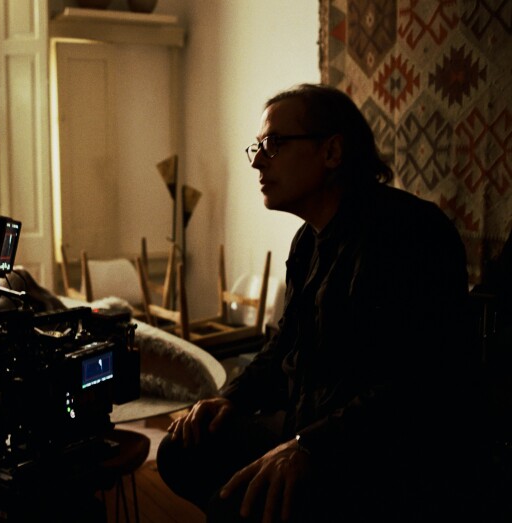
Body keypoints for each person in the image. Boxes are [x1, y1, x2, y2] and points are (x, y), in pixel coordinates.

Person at [156, 84, 484, 522]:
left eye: (273, 144)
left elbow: (419, 382)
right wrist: (230, 398)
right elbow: (283, 343)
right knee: (182, 449)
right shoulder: (307, 240)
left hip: (373, 448)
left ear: (331, 152)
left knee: (237, 502)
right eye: (256, 146)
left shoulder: (411, 233)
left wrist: (311, 446)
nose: (256, 159)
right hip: (302, 423)